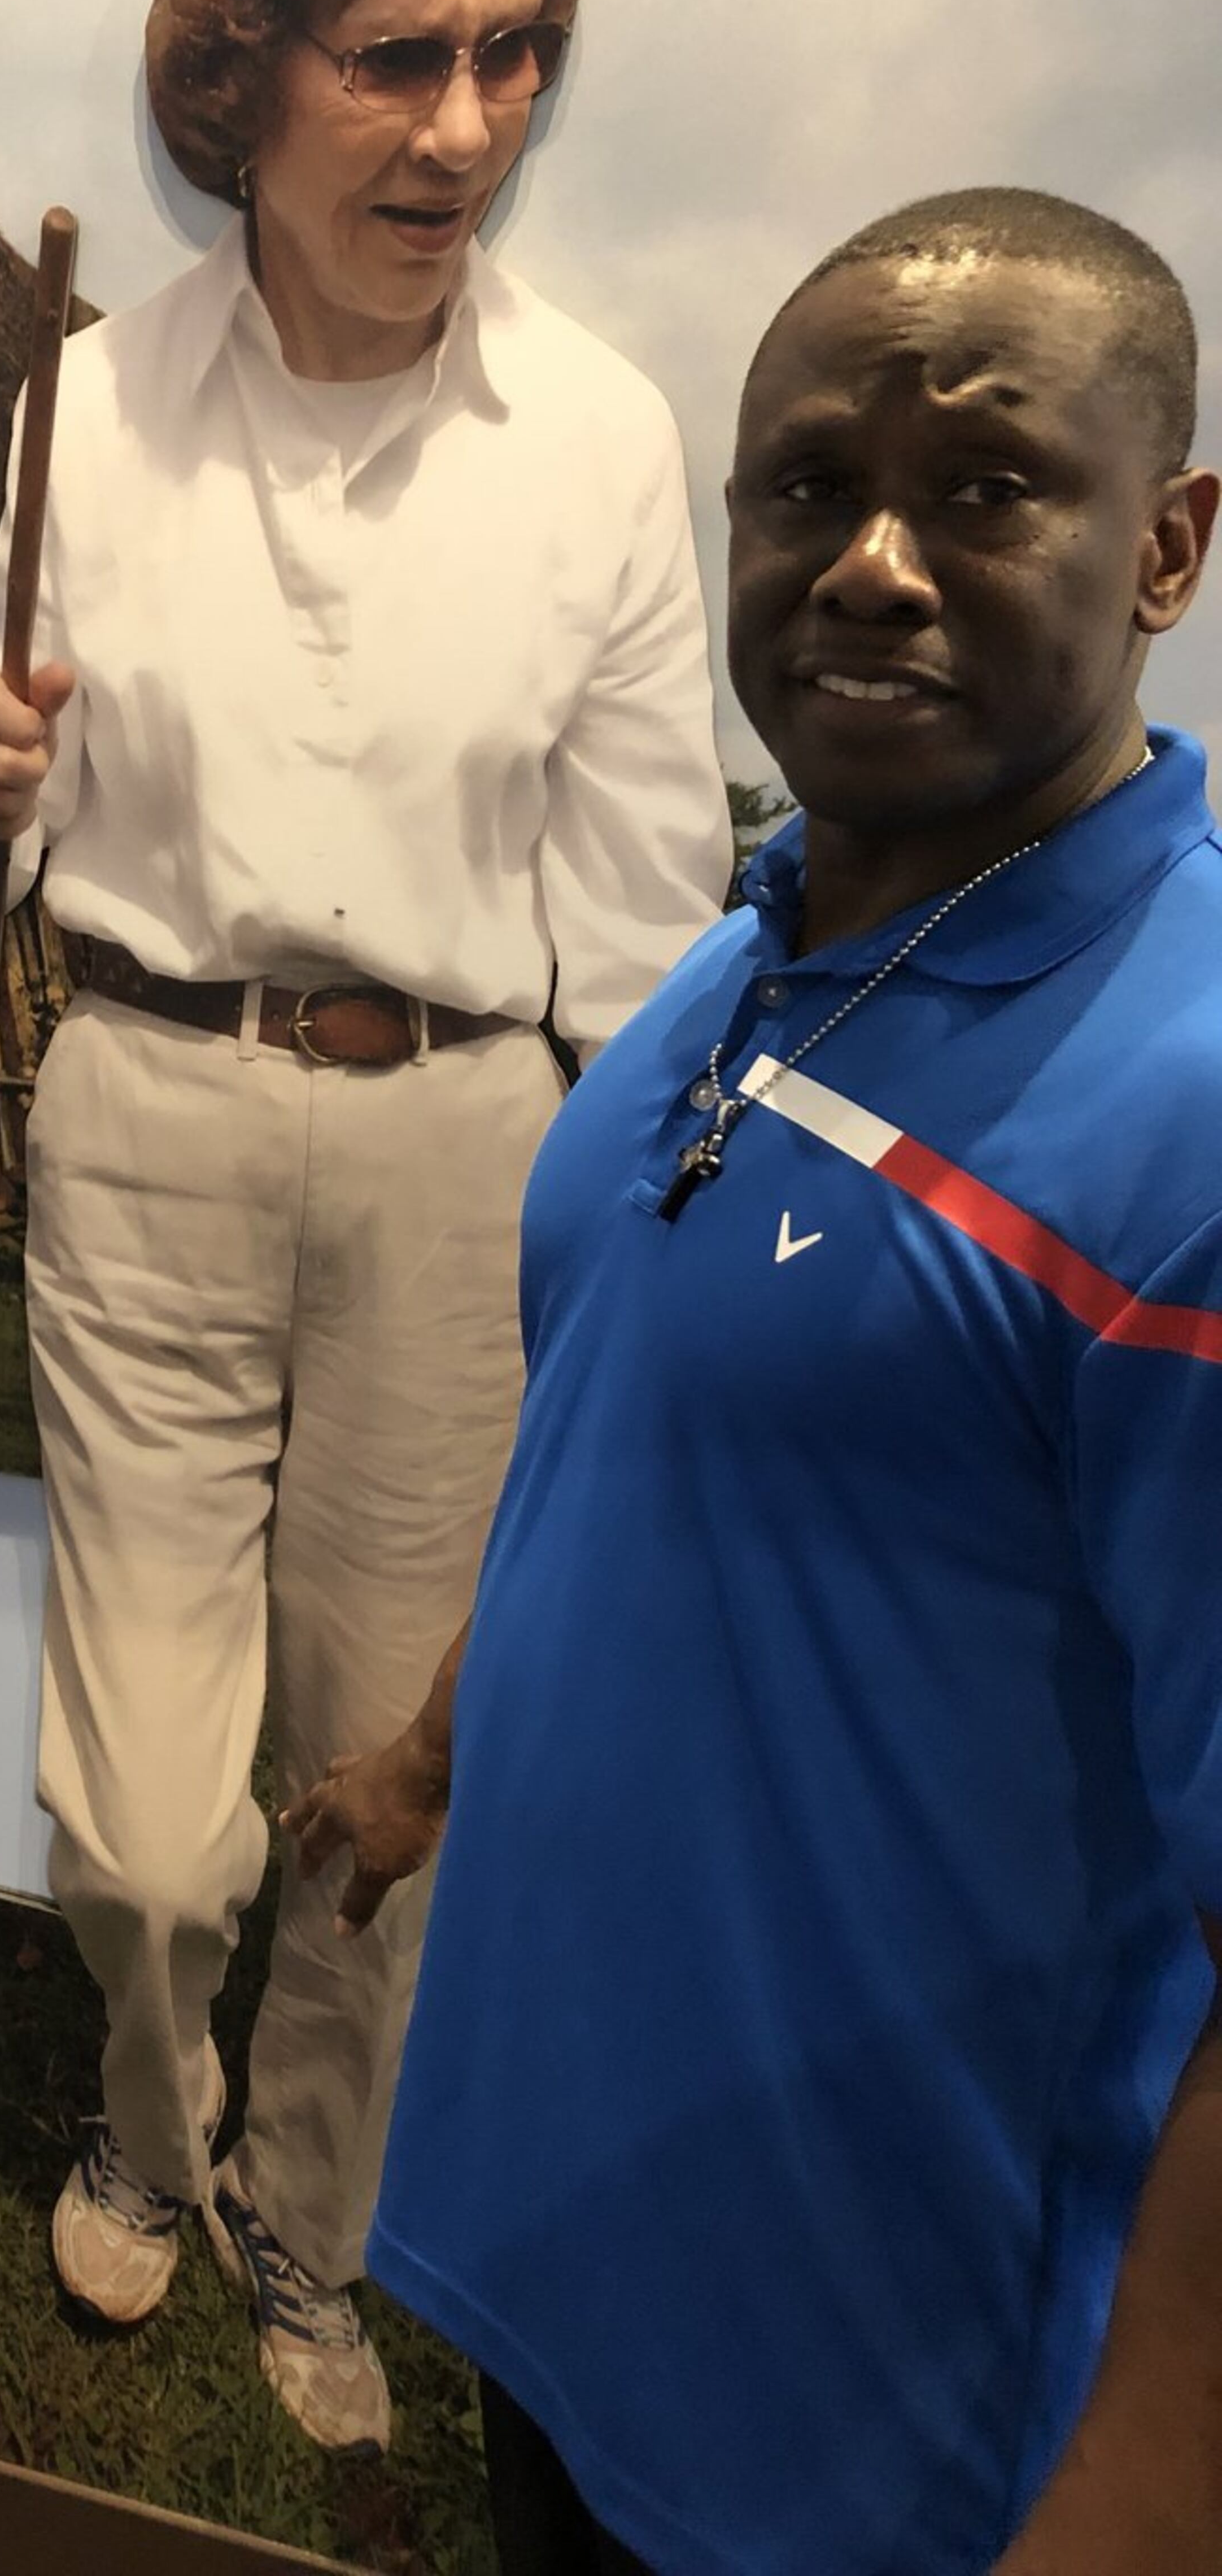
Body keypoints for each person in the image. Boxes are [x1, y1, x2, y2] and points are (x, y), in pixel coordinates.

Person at [0, 0, 729, 2453]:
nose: (467, 126)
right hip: (138, 1111)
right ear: (239, 57)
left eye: (519, 52)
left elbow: (640, 934)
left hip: (475, 1154)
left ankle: (307, 2211)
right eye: (400, 56)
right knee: (149, 1818)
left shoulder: (601, 443)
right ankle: (148, 2112)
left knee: (382, 1760)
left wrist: (638, 1270)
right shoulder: (78, 412)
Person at [289, 188, 1222, 2569]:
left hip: (901, 2433)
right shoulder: (741, 964)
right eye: (810, 489)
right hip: (576, 2261)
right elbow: (633, 1413)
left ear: (1167, 544)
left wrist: (1144, 2495)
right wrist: (427, 1757)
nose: (877, 563)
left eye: (988, 487)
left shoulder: (1191, 1114)